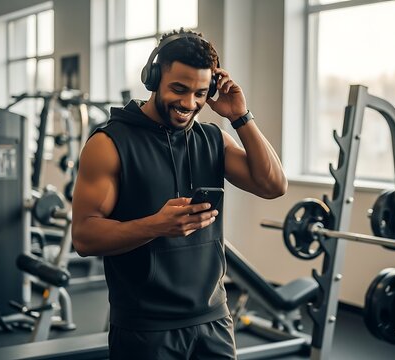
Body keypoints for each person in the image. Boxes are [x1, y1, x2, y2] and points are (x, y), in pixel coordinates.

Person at [72, 28, 287, 360]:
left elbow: (273, 185)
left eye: (201, 93)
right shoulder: (109, 144)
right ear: (153, 78)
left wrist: (240, 116)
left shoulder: (212, 139)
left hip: (213, 319)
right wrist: (156, 225)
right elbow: (85, 237)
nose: (189, 103)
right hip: (145, 327)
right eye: (179, 89)